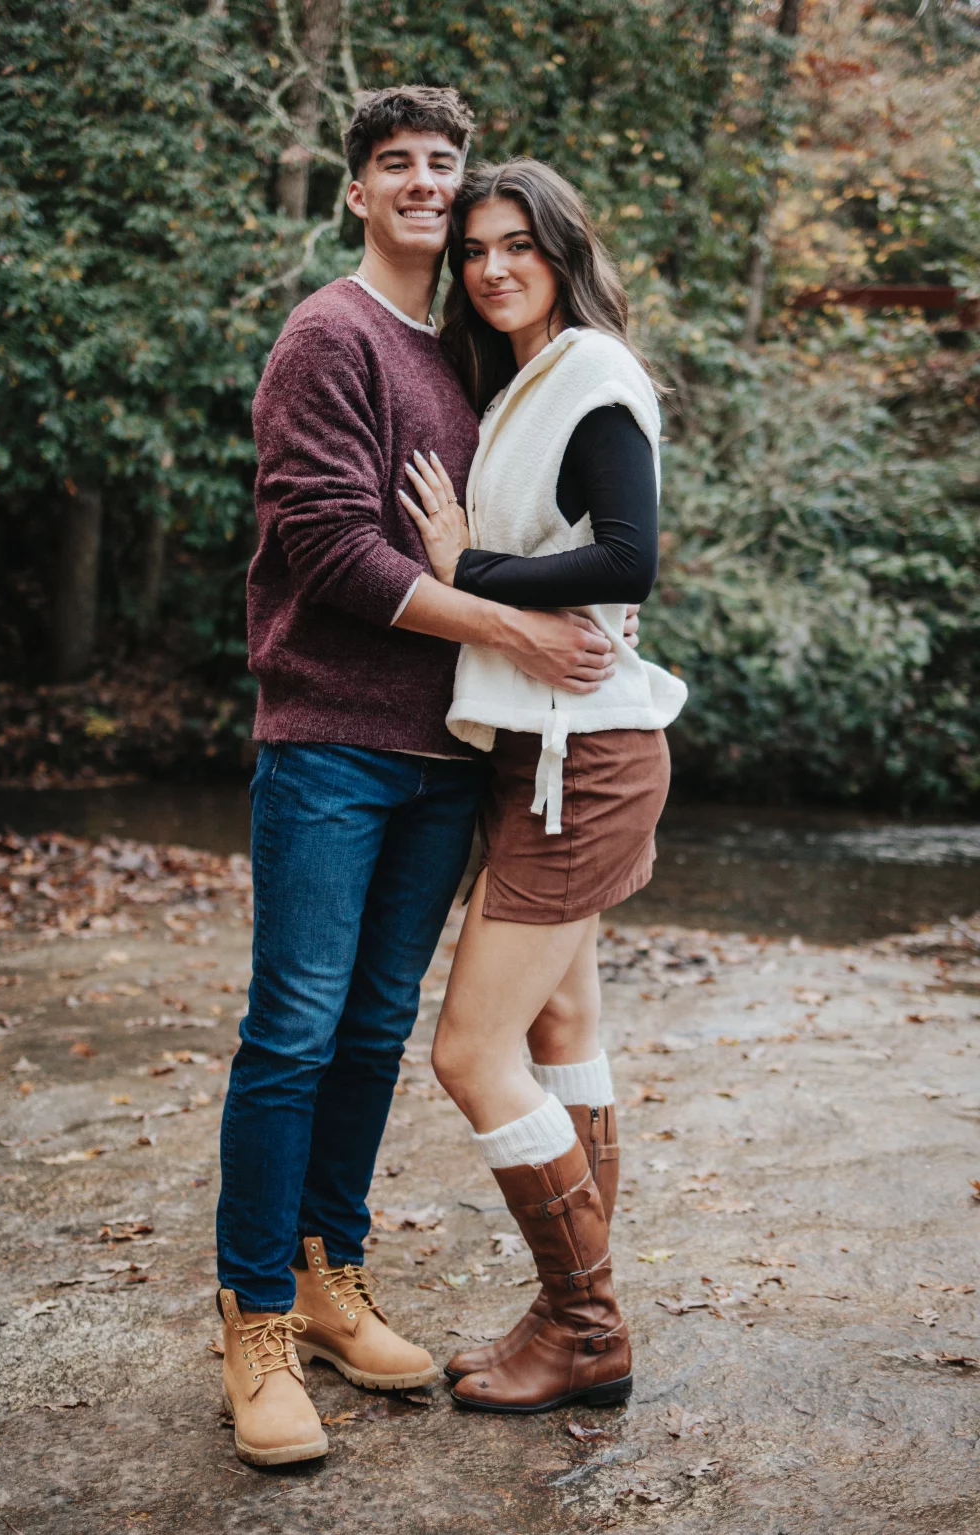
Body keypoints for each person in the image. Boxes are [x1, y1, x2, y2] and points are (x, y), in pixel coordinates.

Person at [214, 90, 638, 1466]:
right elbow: (332, 550)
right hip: (331, 740)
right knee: (291, 1028)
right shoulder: (328, 335)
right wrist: (513, 622)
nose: (419, 184)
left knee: (372, 1026)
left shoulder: (478, 351)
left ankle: (335, 1275)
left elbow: (581, 524)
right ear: (355, 191)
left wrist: (545, 625)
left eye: (439, 166)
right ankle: (257, 1316)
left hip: (450, 751)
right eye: (392, 164)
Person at [398, 158, 688, 1414]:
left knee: (471, 1049)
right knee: (559, 1030)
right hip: (546, 750)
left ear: (563, 250)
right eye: (473, 250)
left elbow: (630, 560)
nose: (493, 266)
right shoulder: (528, 379)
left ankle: (587, 1325)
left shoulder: (597, 377)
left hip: (591, 757)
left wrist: (471, 564)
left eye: (519, 243)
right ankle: (566, 1313)